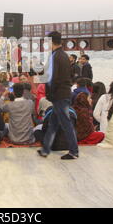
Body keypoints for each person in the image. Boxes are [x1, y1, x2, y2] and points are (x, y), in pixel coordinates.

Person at [38, 31, 79, 160]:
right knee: (53, 124)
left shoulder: (55, 56)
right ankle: (45, 149)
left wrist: (49, 93)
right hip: (63, 93)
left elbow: (52, 78)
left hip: (59, 95)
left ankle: (73, 151)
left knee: (66, 123)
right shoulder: (64, 55)